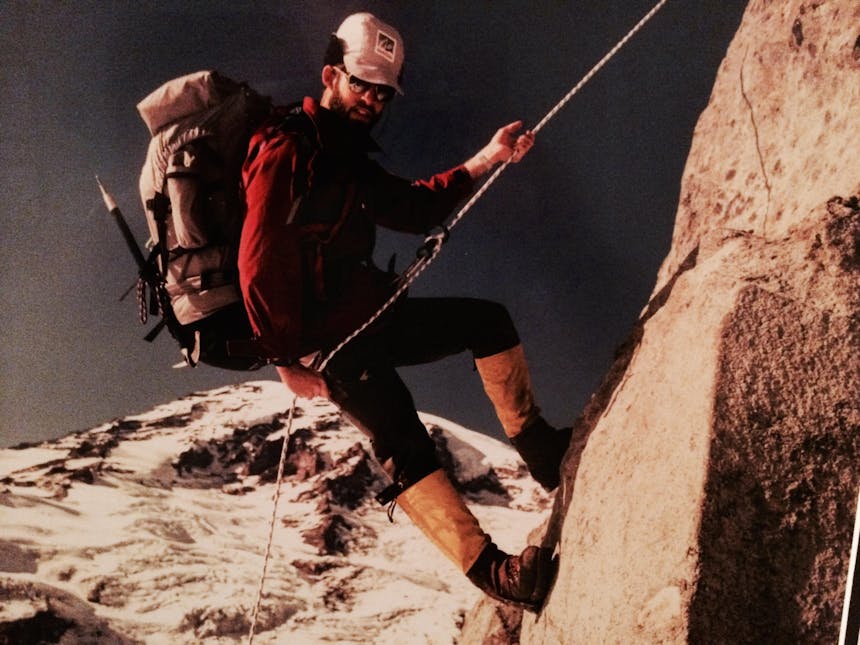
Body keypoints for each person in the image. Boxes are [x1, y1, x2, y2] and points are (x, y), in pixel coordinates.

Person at [238, 12, 571, 609]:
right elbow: (258, 261)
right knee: (405, 443)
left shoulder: (347, 159)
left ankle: (542, 450)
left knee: (486, 321)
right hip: (331, 349)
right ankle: (494, 573)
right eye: (362, 84)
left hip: (370, 317)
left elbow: (413, 208)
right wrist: (284, 359)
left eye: (382, 91)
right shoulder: (288, 146)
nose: (372, 98)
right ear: (330, 75)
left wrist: (488, 157)